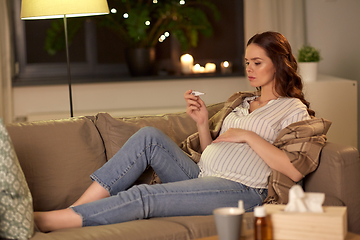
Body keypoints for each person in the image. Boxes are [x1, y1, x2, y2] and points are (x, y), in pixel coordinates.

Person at [34, 31, 314, 232]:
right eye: (247, 62)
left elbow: (294, 170)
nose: (249, 69)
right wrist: (203, 123)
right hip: (206, 174)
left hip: (244, 189)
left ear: (278, 63)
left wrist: (248, 136)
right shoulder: (242, 102)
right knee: (148, 137)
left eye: (257, 62)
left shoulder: (292, 109)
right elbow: (213, 152)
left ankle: (51, 221)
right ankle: (76, 210)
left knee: (145, 196)